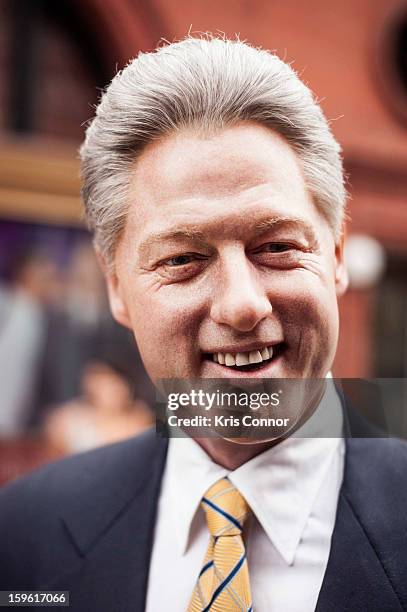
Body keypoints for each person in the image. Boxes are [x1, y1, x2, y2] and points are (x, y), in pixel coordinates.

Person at [1, 36, 406, 611]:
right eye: (182, 260)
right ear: (116, 286)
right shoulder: (25, 534)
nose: (241, 306)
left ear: (336, 257)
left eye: (276, 247)